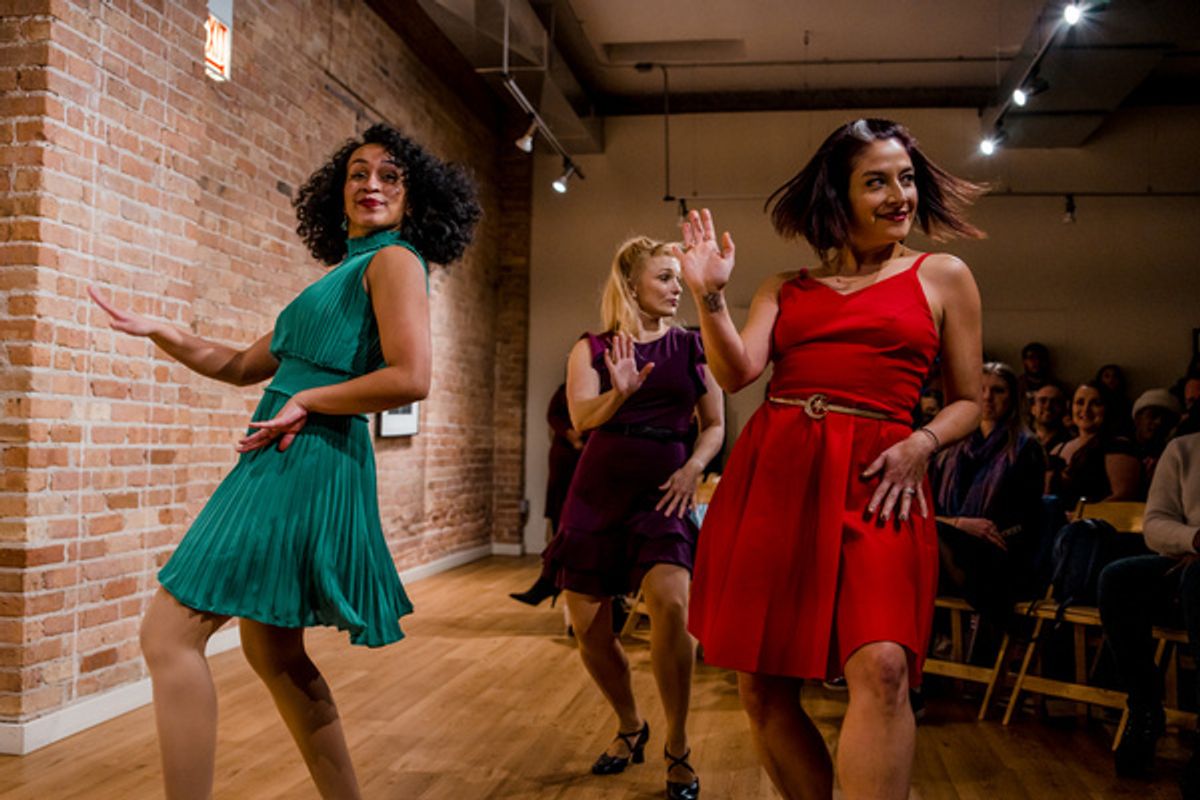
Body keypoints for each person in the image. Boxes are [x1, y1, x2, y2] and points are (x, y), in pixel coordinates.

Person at [89, 124, 480, 800]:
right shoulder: (342, 276)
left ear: (413, 201)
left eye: (391, 176)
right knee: (274, 652)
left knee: (167, 634)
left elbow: (412, 377)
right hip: (288, 453)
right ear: (338, 194)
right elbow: (243, 364)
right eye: (358, 174)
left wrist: (310, 399)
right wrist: (166, 332)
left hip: (305, 458)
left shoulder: (396, 262)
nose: (372, 185)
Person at [681, 118, 984, 800]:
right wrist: (709, 295)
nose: (898, 195)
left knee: (882, 667)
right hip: (777, 476)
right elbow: (735, 375)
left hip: (884, 478)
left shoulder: (943, 276)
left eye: (905, 179)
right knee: (761, 683)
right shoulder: (783, 288)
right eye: (876, 181)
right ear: (837, 197)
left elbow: (969, 400)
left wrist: (923, 442)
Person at [542, 236, 723, 800]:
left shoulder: (694, 346)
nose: (677, 287)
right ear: (633, 283)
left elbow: (715, 423)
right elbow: (581, 417)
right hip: (597, 491)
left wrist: (694, 466)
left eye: (677, 278)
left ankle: (678, 746)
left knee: (672, 604)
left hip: (665, 489)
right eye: (666, 277)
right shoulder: (591, 348)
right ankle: (629, 725)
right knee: (593, 634)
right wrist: (617, 395)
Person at [1098, 432, 1200, 795]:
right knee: (1119, 578)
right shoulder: (1184, 449)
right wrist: (1194, 539)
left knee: (1195, 580)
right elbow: (1155, 524)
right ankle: (1144, 706)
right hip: (1189, 556)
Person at [930, 362, 1046, 639]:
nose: (987, 397)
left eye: (998, 390)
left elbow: (1025, 518)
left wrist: (960, 530)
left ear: (1013, 398)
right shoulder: (951, 447)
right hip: (948, 540)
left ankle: (949, 637)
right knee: (922, 538)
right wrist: (958, 524)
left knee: (932, 541)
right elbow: (928, 509)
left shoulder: (1024, 448)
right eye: (980, 389)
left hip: (1000, 547)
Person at [509, 381, 587, 606]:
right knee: (561, 523)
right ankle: (550, 580)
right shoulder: (566, 388)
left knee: (577, 527)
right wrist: (571, 434)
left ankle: (550, 582)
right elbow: (554, 414)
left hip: (591, 458)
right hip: (565, 460)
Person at [1045, 382, 1142, 510]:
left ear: (1108, 408)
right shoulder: (1058, 449)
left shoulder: (1118, 446)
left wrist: (1080, 516)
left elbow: (1123, 496)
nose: (1085, 410)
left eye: (1096, 404)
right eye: (1080, 402)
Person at [1131, 388, 1182, 488]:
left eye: (1166, 419)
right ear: (1138, 419)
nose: (1159, 422)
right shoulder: (1122, 448)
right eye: (1152, 416)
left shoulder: (1174, 453)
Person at [1030, 383, 1070, 452]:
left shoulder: (1070, 443)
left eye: (1055, 402)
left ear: (1064, 409)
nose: (1048, 406)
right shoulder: (1020, 439)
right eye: (1042, 400)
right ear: (1033, 409)